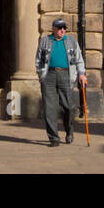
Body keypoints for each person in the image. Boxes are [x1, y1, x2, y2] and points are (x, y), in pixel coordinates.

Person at [35, 17, 85, 147]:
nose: (62, 30)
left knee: (69, 106)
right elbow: (38, 59)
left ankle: (69, 131)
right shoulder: (45, 40)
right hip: (49, 75)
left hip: (66, 75)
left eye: (64, 28)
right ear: (54, 28)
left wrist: (82, 74)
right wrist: (41, 75)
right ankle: (54, 138)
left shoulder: (71, 41)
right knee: (49, 108)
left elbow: (79, 59)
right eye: (60, 28)